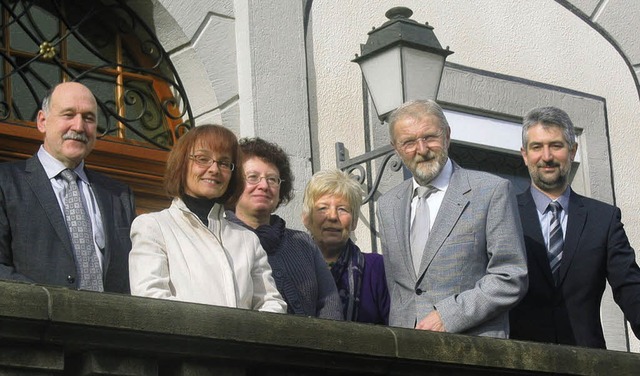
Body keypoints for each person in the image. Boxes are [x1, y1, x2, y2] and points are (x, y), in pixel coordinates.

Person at [376, 99, 528, 337]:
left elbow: (510, 276)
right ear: (396, 148)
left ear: (447, 135)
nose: (422, 149)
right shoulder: (388, 205)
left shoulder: (491, 191)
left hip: (472, 350)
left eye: (430, 137)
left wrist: (449, 315)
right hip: (407, 350)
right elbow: (398, 288)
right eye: (409, 142)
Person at [509, 106, 640, 348]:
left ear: (573, 151)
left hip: (586, 361)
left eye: (556, 146)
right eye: (537, 147)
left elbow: (630, 286)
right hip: (517, 359)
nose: (546, 156)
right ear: (525, 155)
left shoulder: (604, 218)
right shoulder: (504, 213)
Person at [128, 125, 286, 312]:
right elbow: (151, 300)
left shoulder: (247, 240)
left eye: (224, 163)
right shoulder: (154, 227)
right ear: (182, 163)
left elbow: (271, 302)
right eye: (202, 159)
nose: (214, 169)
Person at [0, 81, 135, 293]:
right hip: (36, 322)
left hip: (108, 324)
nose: (79, 127)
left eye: (88, 118)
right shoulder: (5, 182)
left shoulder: (118, 196)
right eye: (68, 114)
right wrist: (54, 305)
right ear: (42, 121)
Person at [226, 138, 342, 319]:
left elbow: (329, 302)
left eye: (272, 179)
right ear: (233, 184)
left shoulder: (303, 243)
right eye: (252, 177)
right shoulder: (221, 241)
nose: (264, 185)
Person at [303, 169, 390, 324]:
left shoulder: (377, 268)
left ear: (354, 221)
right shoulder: (293, 266)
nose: (332, 216)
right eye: (322, 208)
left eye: (342, 209)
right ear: (306, 218)